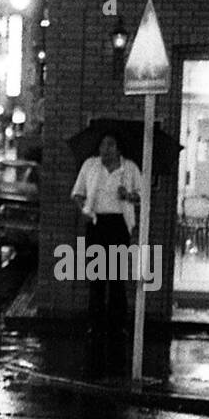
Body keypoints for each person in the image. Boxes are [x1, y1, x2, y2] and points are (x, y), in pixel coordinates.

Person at [71, 132, 143, 353]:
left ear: (118, 149)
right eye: (102, 144)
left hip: (119, 225)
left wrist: (128, 195)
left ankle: (118, 326)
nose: (105, 149)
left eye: (110, 145)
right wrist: (84, 210)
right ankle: (95, 325)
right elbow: (77, 193)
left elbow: (141, 196)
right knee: (96, 279)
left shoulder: (129, 168)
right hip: (97, 223)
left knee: (117, 279)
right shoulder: (90, 166)